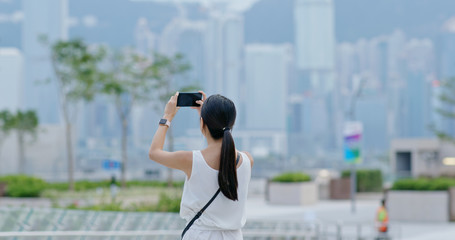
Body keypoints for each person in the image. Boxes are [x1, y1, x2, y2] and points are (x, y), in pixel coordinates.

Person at [149, 91, 254, 240]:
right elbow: (226, 143)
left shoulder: (191, 160)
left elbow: (154, 152)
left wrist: (167, 116)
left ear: (202, 123)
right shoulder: (247, 160)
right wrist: (207, 117)